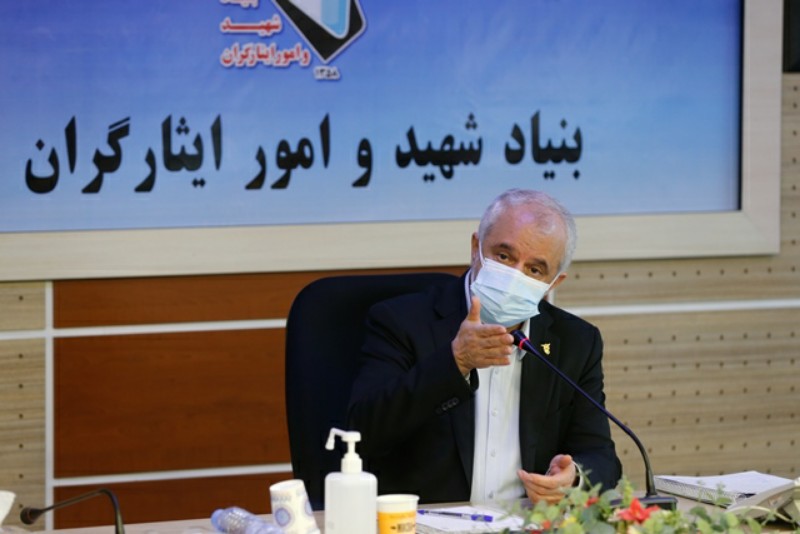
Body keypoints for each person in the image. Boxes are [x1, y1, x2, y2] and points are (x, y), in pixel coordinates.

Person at [347, 188, 621, 505]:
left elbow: (600, 456)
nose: (513, 276)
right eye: (503, 257)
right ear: (475, 248)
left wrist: (573, 478)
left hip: (525, 521)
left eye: (534, 270)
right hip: (426, 521)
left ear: (553, 283)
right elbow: (362, 432)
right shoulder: (402, 322)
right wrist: (455, 363)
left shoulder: (575, 342)